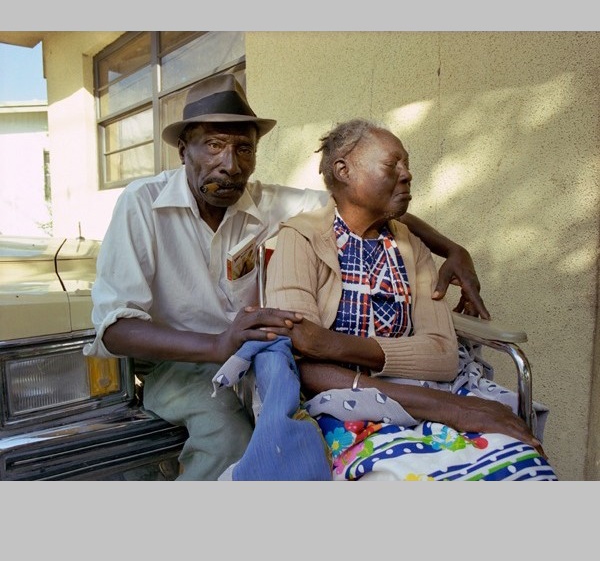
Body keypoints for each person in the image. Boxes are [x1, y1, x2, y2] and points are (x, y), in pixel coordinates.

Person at [84, 75, 492, 481]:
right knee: (228, 438)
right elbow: (116, 327)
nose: (230, 164)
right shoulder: (142, 204)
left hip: (260, 361)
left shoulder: (271, 203)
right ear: (182, 150)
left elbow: (365, 204)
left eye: (244, 148)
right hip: (183, 366)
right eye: (213, 145)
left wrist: (453, 250)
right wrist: (217, 344)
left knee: (311, 436)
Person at [262, 118, 557, 480]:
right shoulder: (301, 239)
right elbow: (304, 364)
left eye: (407, 165)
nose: (407, 175)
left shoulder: (409, 246)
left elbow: (443, 356)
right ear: (344, 170)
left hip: (425, 389)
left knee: (522, 462)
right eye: (393, 165)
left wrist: (331, 344)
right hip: (341, 404)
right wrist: (448, 407)